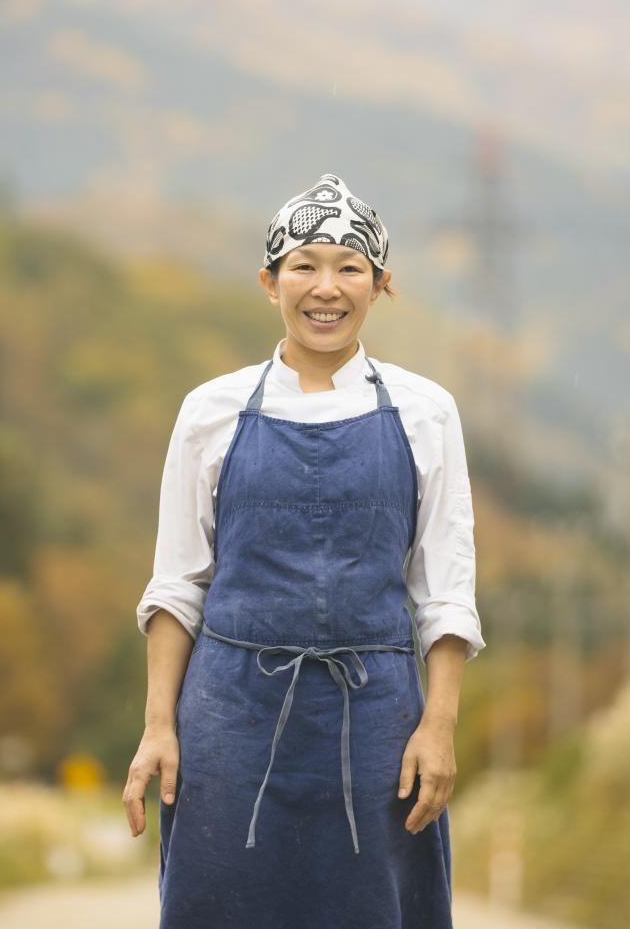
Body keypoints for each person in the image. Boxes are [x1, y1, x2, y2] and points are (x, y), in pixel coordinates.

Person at [123, 172, 485, 928]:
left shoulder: (426, 412)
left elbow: (444, 591)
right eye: (304, 265)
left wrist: (439, 726)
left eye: (350, 267)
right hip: (229, 721)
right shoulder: (210, 411)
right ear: (270, 281)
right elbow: (176, 586)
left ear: (381, 284)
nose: (327, 287)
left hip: (379, 727)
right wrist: (160, 726)